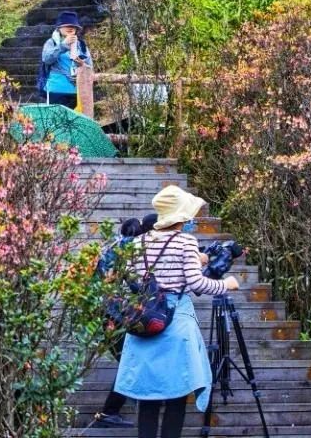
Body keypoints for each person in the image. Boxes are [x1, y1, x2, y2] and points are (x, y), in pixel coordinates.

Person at [114, 185, 240, 438]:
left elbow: (130, 278)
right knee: (176, 395)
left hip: (144, 320)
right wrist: (226, 284)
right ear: (182, 215)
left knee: (148, 397)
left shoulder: (138, 241)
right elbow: (196, 284)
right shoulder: (185, 241)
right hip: (175, 322)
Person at [89, 212, 159, 429]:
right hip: (113, 313)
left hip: (103, 310)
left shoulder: (118, 244)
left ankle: (113, 410)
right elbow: (134, 284)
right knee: (131, 361)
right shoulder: (131, 248)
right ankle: (109, 412)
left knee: (131, 360)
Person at [40, 11, 92, 108]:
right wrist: (63, 45)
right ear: (59, 28)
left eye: (73, 25)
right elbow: (46, 59)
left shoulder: (81, 45)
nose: (71, 27)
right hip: (56, 91)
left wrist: (82, 65)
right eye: (66, 25)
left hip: (78, 92)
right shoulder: (51, 43)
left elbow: (90, 67)